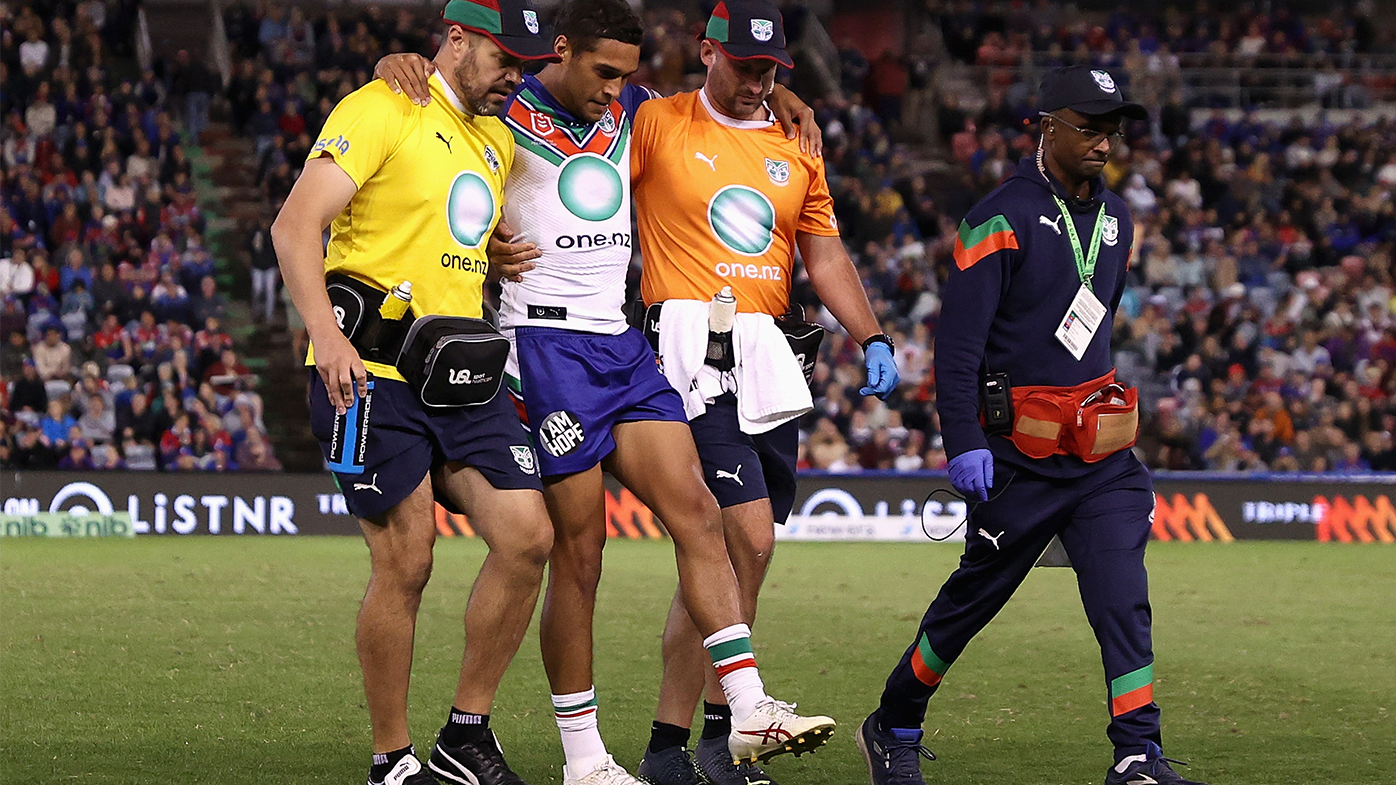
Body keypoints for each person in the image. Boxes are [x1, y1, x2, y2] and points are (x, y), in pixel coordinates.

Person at [373, 3, 837, 784]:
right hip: (539, 345)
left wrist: (791, 101)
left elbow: (723, 110)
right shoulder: (507, 106)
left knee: (698, 509)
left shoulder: (636, 115)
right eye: (604, 73)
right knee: (579, 555)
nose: (617, 90)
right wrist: (398, 65)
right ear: (560, 51)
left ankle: (750, 703)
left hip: (621, 342)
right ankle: (584, 758)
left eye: (627, 76)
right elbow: (448, 157)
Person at [856, 66, 1205, 785]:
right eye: (1089, 126)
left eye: (1113, 129)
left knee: (1121, 594)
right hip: (1018, 458)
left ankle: (1138, 751)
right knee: (968, 607)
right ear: (1045, 126)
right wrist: (965, 442)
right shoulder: (998, 217)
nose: (1105, 142)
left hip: (1103, 458)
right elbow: (958, 350)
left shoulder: (1120, 222)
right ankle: (894, 720)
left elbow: (1092, 330)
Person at [270, 3, 562, 784]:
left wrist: (490, 254)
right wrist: (324, 337)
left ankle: (465, 735)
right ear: (456, 40)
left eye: (524, 66)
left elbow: (445, 231)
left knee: (528, 536)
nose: (515, 78)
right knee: (408, 557)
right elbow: (295, 226)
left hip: (462, 376)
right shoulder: (380, 107)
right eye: (505, 60)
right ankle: (390, 760)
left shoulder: (496, 140)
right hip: (365, 371)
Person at [631, 2, 899, 783]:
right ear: (707, 52)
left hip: (771, 366)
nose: (758, 83)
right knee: (744, 538)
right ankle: (731, 725)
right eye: (745, 67)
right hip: (691, 362)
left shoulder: (796, 151)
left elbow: (825, 257)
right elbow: (570, 95)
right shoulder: (655, 124)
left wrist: (873, 335)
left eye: (770, 71)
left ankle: (681, 745)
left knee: (726, 562)